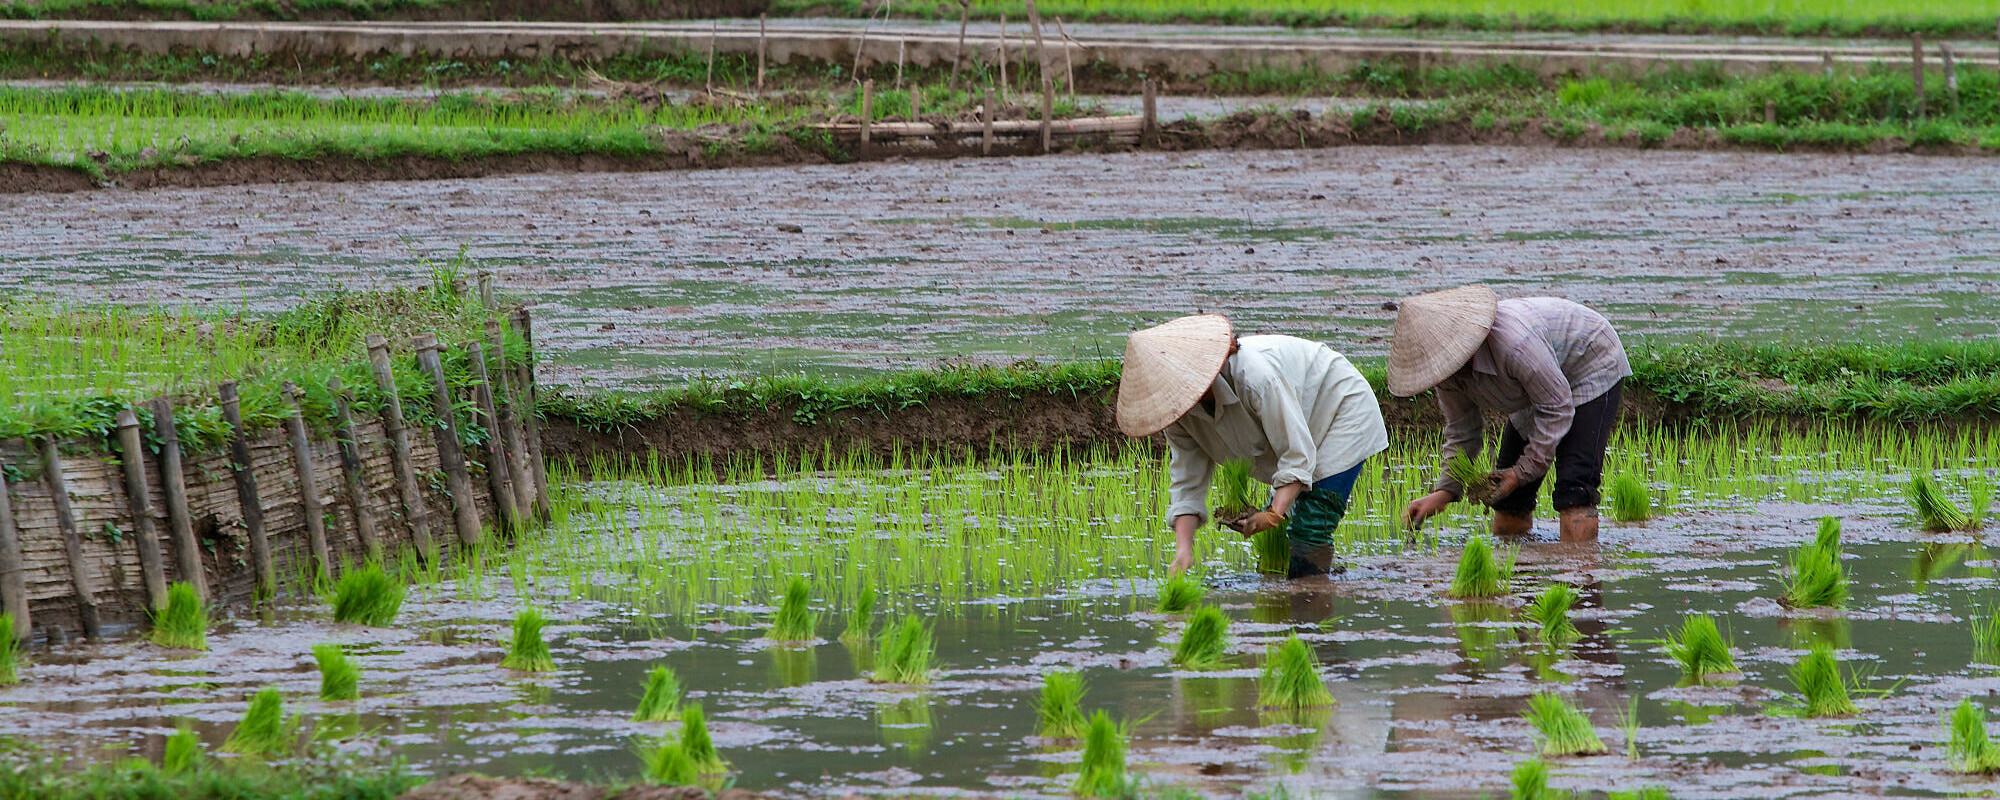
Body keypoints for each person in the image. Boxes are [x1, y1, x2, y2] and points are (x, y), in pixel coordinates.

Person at [1116, 315, 1388, 578]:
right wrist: (1183, 552)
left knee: (1310, 526)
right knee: (1275, 545)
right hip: (1300, 424)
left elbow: (1296, 455)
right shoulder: (1177, 414)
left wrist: (1272, 513)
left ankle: (1311, 599)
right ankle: (1286, 604)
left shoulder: (1255, 378)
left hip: (1338, 407)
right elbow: (1188, 481)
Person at [1391, 285, 1631, 542]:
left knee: (1574, 489)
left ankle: (1579, 574)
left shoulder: (1515, 346)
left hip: (1589, 361)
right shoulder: (1448, 376)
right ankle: (1517, 577)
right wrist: (1446, 491)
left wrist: (1519, 473)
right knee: (1508, 500)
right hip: (1539, 385)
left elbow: (1557, 407)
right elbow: (1462, 431)